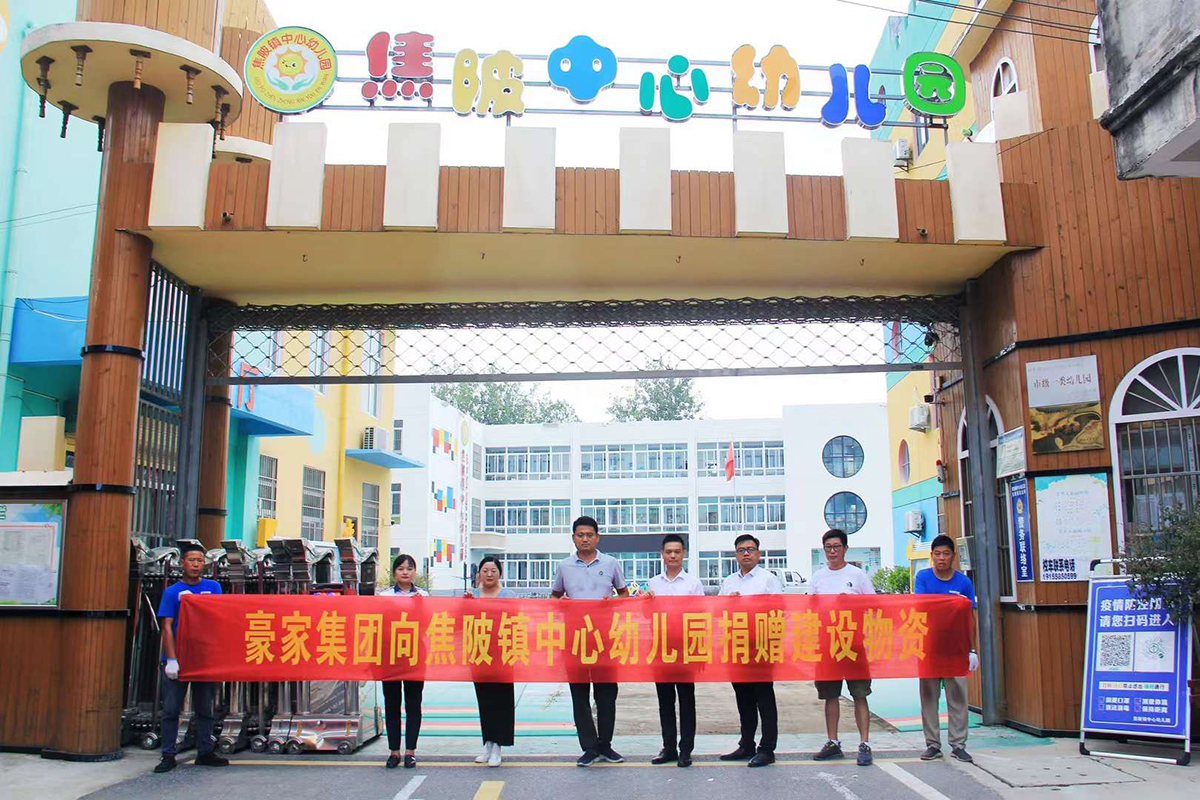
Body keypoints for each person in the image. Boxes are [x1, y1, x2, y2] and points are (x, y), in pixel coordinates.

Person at [550, 515, 630, 767]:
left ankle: (605, 744)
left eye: (589, 535)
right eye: (580, 535)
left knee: (607, 693)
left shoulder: (611, 563)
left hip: (605, 638)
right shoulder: (564, 566)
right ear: (573, 538)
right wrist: (561, 603)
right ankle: (589, 747)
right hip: (575, 639)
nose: (585, 539)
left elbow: (624, 595)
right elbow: (554, 597)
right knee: (579, 694)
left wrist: (612, 603)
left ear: (597, 537)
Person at [154, 542, 228, 773]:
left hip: (203, 658)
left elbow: (219, 619)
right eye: (191, 560)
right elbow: (167, 627)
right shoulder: (172, 592)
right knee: (171, 710)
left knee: (205, 709)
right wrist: (171, 659)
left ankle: (205, 751)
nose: (195, 565)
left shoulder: (213, 587)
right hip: (179, 658)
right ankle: (168, 755)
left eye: (199, 561)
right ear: (182, 563)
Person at [810, 528, 877, 766]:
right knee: (830, 695)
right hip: (828, 644)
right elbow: (810, 608)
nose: (832, 551)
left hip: (853, 643)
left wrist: (852, 603)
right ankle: (833, 742)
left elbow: (874, 605)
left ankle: (865, 743)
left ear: (845, 549)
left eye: (837, 547)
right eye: (828, 547)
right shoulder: (818, 577)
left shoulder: (857, 575)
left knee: (859, 694)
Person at [718, 533, 782, 768]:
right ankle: (747, 744)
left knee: (764, 698)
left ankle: (767, 748)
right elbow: (718, 611)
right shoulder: (729, 582)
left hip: (761, 645)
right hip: (737, 645)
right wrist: (729, 603)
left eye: (750, 549)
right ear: (736, 554)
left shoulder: (768, 579)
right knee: (743, 698)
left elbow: (780, 609)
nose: (746, 554)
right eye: (741, 550)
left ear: (758, 553)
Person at [914, 535, 979, 763]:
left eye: (946, 554)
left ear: (953, 556)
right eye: (937, 554)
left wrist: (972, 650)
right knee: (929, 697)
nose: (941, 558)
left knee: (958, 698)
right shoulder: (923, 577)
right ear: (932, 556)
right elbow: (922, 607)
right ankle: (932, 744)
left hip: (956, 649)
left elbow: (970, 617)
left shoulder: (963, 583)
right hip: (929, 648)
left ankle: (958, 744)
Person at [644, 534, 705, 768]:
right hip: (660, 648)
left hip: (686, 647)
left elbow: (700, 617)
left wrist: (699, 649)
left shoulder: (693, 583)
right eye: (668, 552)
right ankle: (668, 747)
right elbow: (646, 616)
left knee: (686, 700)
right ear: (662, 554)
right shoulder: (653, 583)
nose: (672, 556)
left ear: (684, 554)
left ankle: (686, 749)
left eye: (677, 552)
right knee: (665, 701)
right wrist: (645, 602)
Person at [464, 555, 518, 768]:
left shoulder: (508, 595)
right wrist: (466, 605)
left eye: (493, 571)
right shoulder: (472, 595)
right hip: (479, 653)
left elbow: (516, 622)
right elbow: (461, 622)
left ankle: (498, 747)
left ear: (499, 574)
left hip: (503, 654)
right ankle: (488, 743)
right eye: (485, 571)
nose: (489, 574)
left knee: (502, 700)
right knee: (484, 700)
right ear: (479, 574)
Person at [383, 553, 427, 769]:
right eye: (401, 568)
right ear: (394, 573)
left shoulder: (423, 596)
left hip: (415, 655)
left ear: (414, 572)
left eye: (409, 568)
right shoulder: (384, 596)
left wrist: (421, 606)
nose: (405, 572)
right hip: (389, 655)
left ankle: (410, 751)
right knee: (391, 704)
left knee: (413, 704)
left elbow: (430, 623)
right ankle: (394, 751)